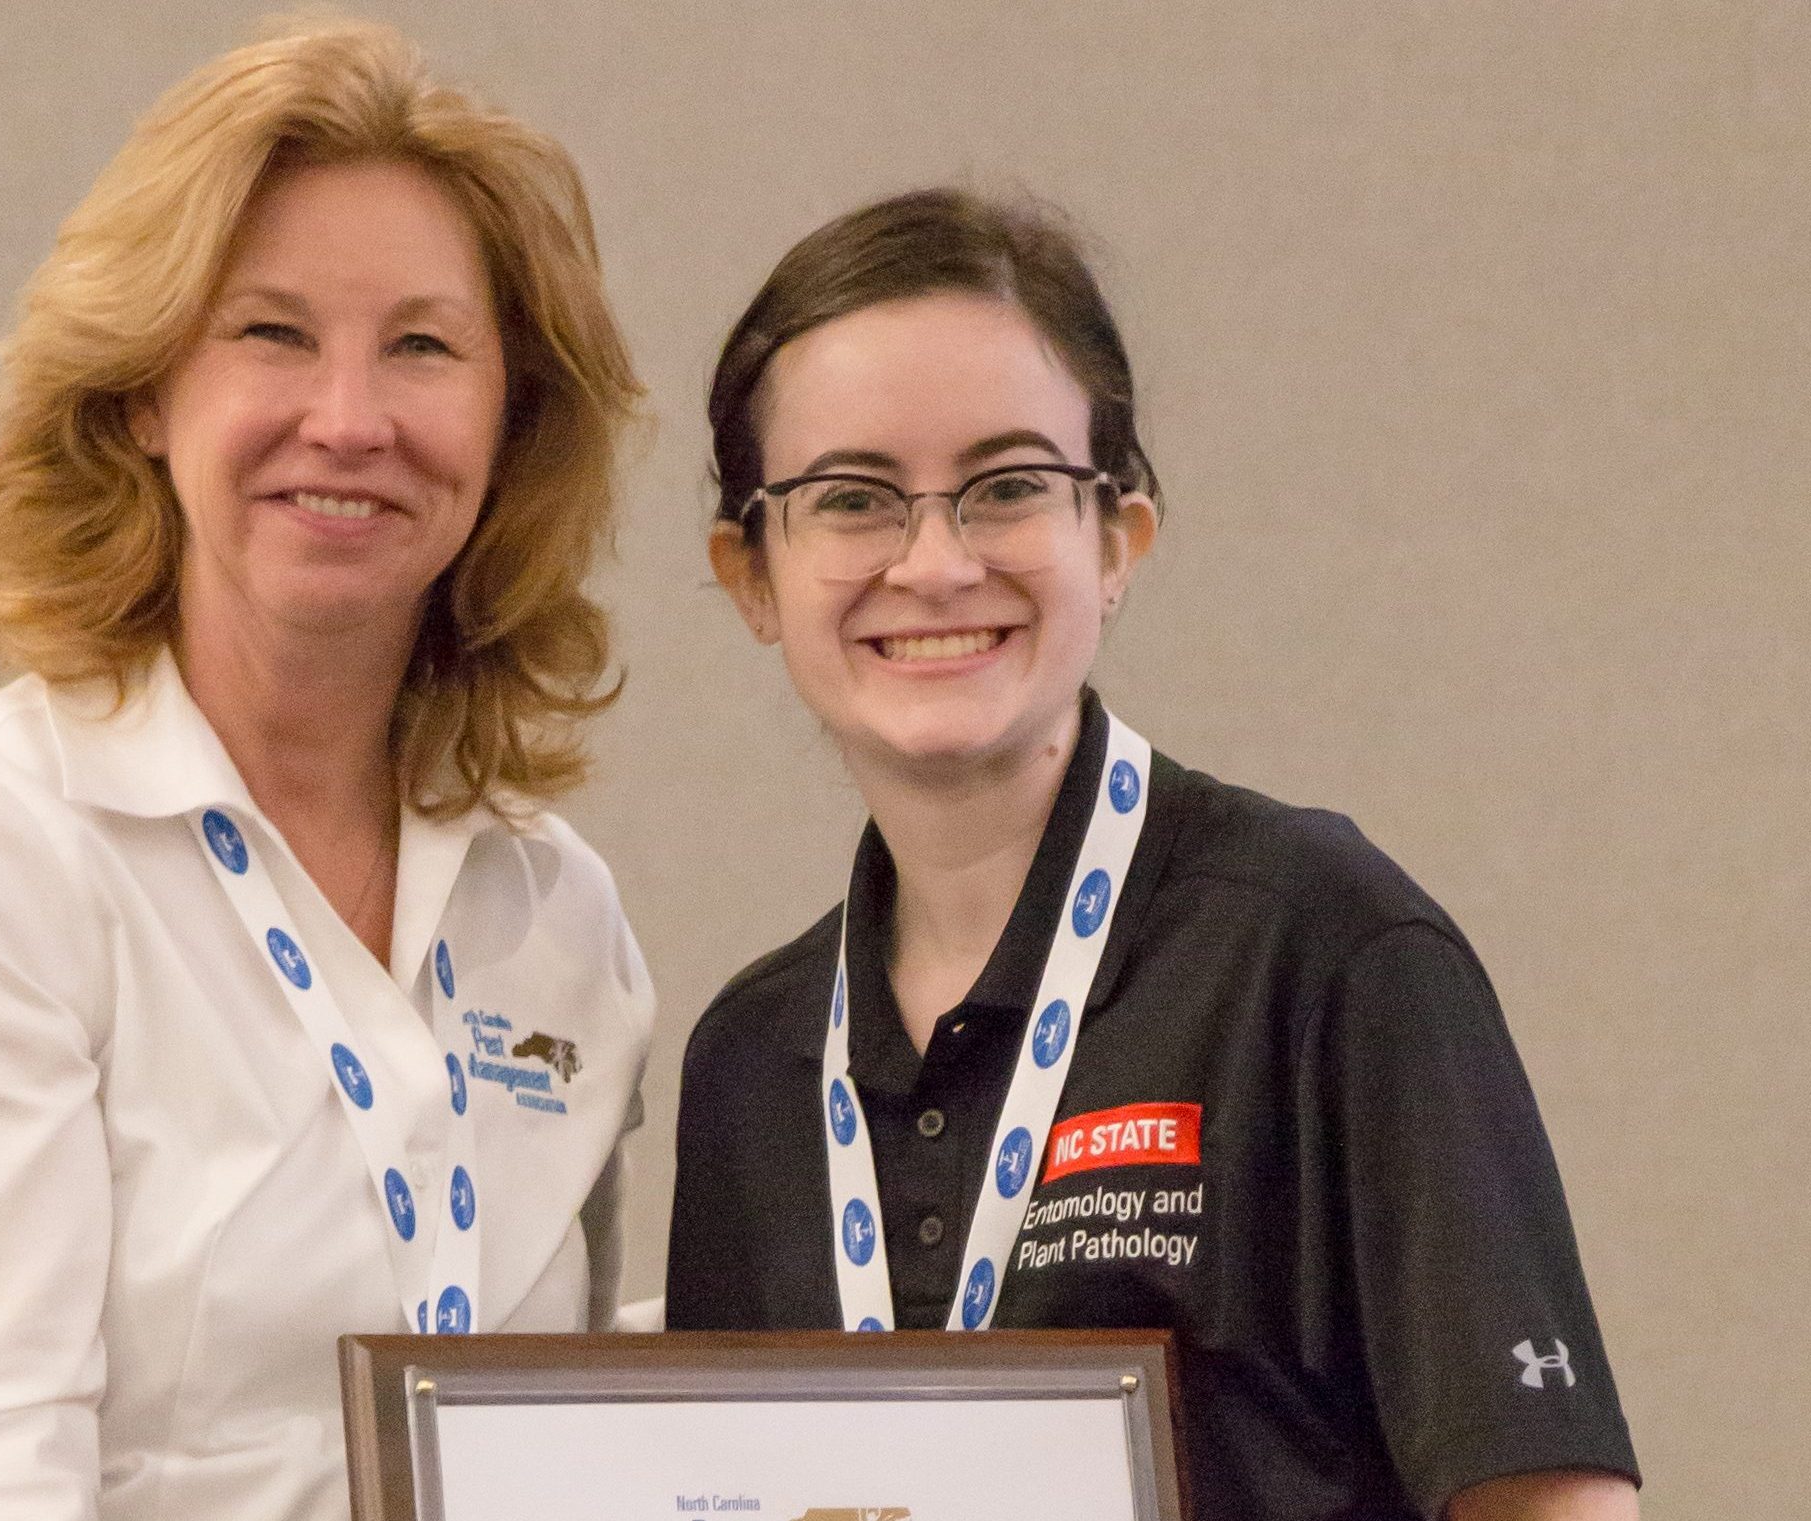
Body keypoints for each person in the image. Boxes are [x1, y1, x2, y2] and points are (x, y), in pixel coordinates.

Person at [0, 22, 652, 1521]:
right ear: (144, 392)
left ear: (510, 422)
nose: (349, 420)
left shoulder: (555, 915)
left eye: (422, 345)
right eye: (271, 332)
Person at [665, 188, 1640, 1521]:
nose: (935, 561)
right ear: (751, 575)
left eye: (1008, 485)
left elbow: (1551, 1505)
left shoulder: (1324, 950)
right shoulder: (752, 1065)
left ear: (1117, 538)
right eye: (854, 499)